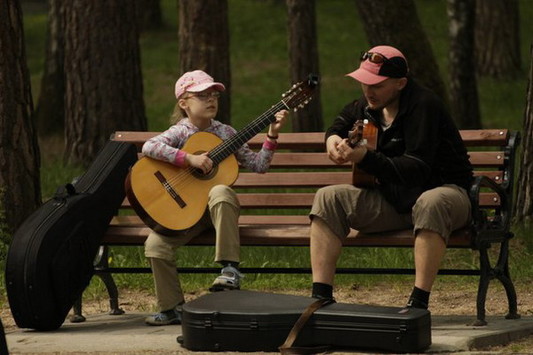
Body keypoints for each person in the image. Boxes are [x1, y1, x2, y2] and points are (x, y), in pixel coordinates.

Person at [309, 45, 473, 310]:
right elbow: (339, 122)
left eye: (377, 85)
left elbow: (416, 169)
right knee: (328, 197)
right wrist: (332, 139)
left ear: (401, 83)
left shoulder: (424, 105)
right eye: (364, 83)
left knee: (430, 202)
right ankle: (320, 298)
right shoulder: (368, 106)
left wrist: (365, 158)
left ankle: (418, 303)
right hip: (397, 200)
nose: (368, 91)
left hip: (447, 195)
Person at [142, 70, 289, 325]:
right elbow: (149, 147)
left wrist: (272, 134)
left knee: (220, 191)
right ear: (184, 103)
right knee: (155, 246)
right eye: (202, 95)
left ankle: (229, 269)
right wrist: (189, 158)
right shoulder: (180, 132)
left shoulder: (226, 133)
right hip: (187, 213)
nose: (211, 100)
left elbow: (258, 166)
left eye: (214, 95)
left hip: (216, 213)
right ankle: (171, 308)